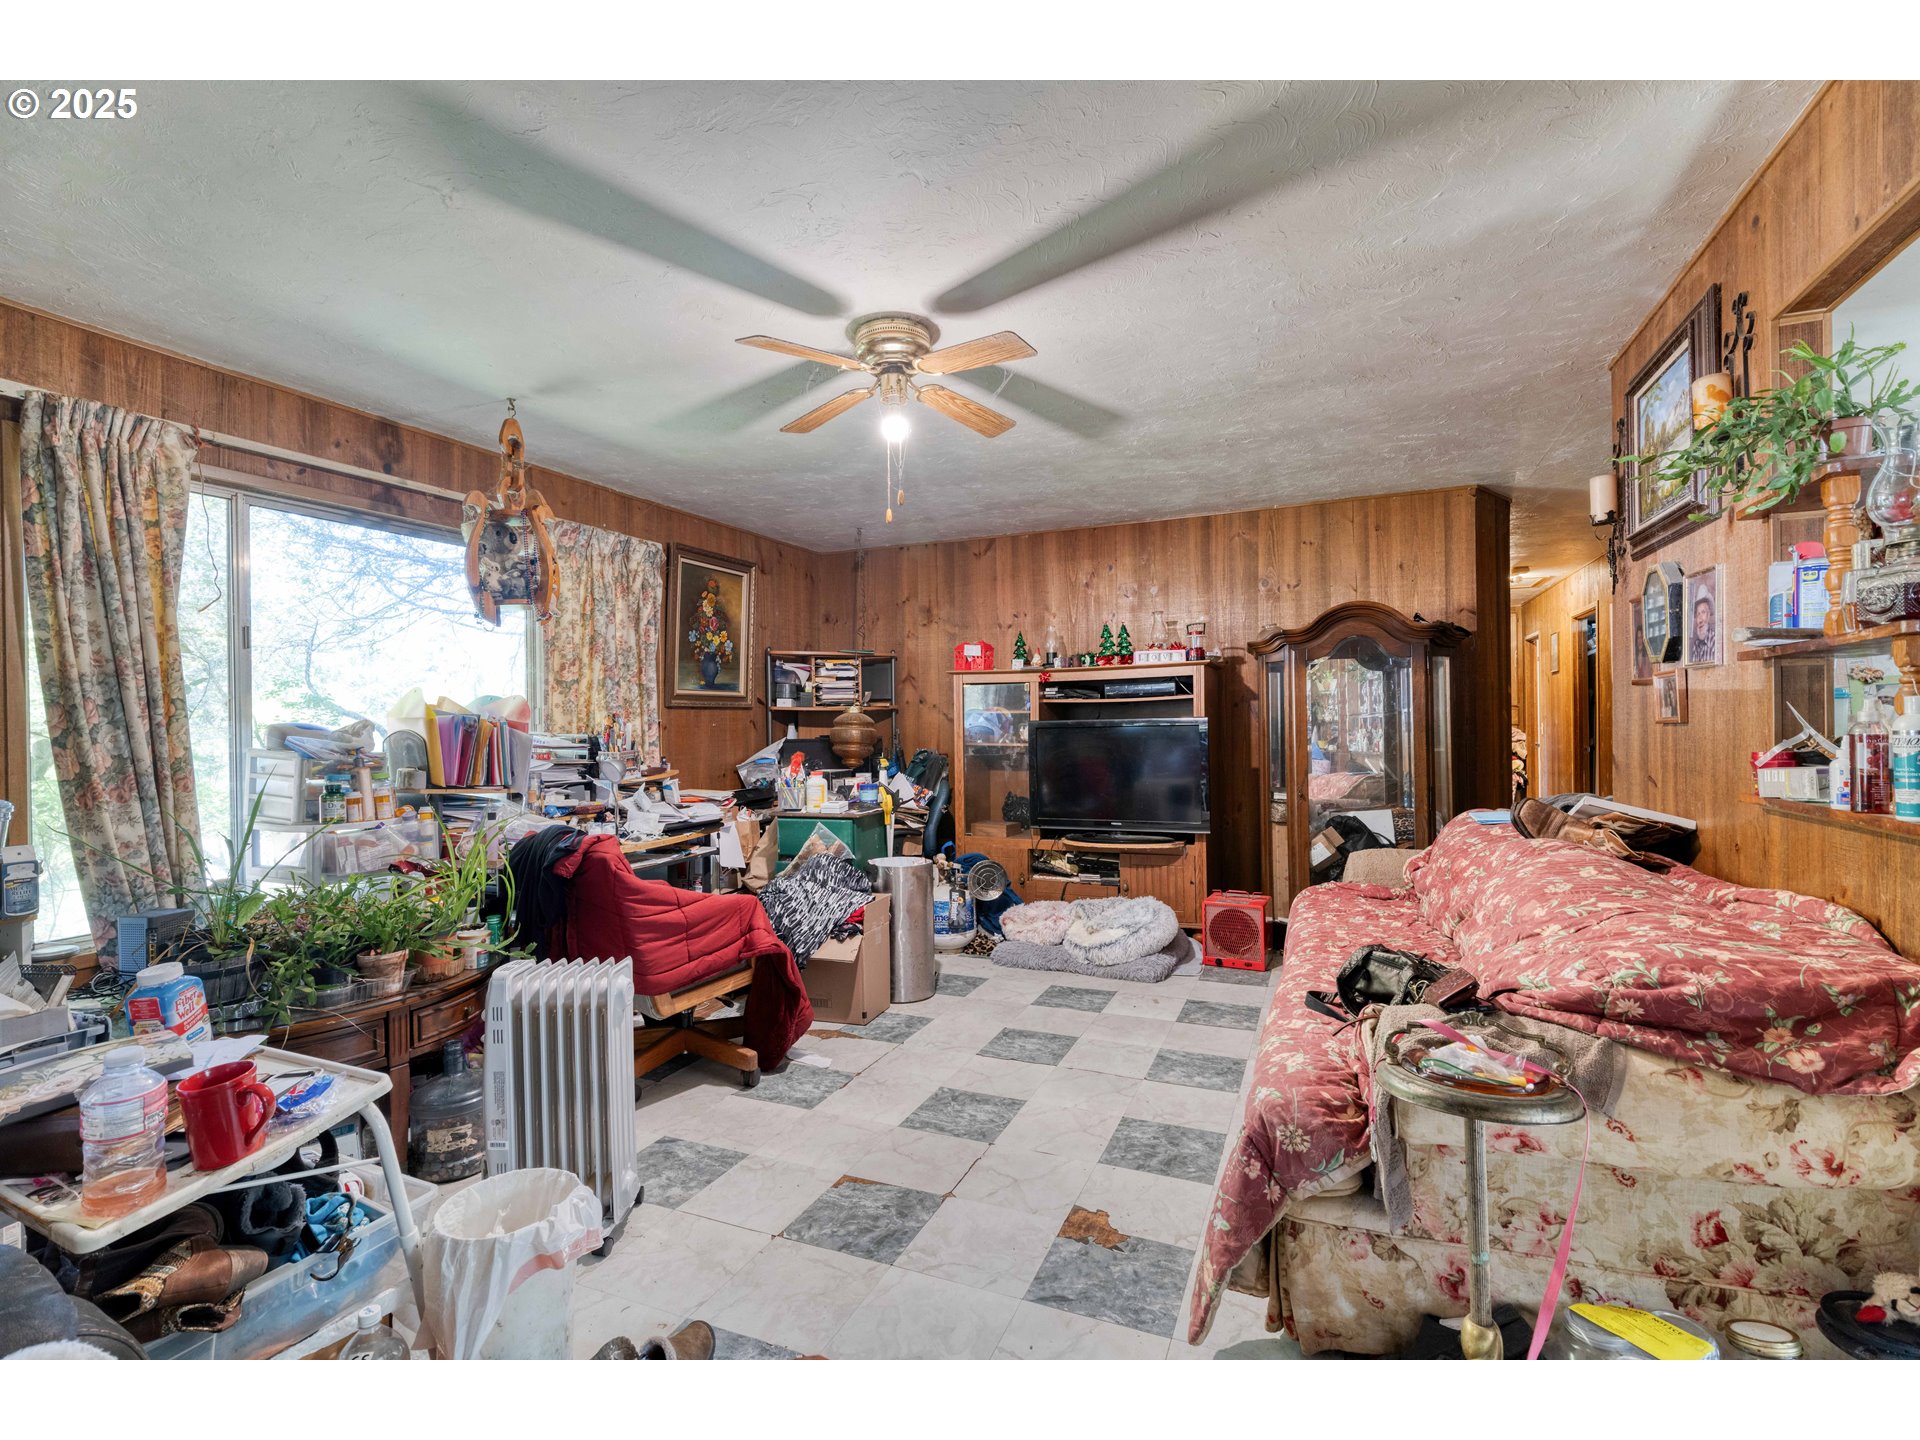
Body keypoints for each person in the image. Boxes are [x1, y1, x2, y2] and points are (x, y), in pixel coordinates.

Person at [1689, 591, 1717, 664]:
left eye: (1703, 612)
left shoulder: (1715, 641)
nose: (1700, 619)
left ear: (1708, 615)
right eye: (1698, 614)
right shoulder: (1696, 644)